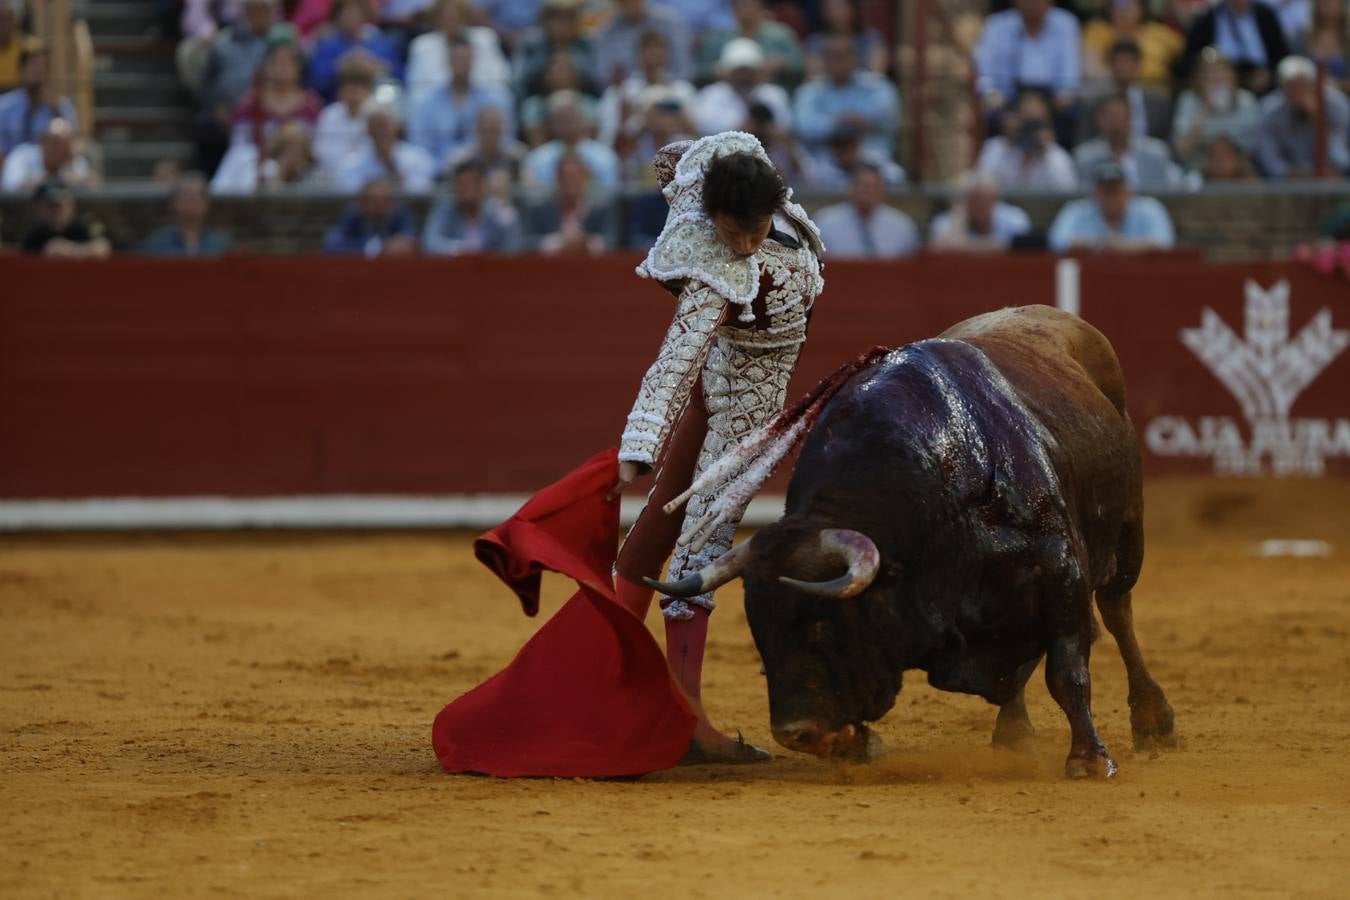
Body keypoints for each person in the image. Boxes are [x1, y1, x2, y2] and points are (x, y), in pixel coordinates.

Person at [609, 132, 825, 763]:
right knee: (704, 535)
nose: (745, 245)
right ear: (713, 217)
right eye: (733, 232)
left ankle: (614, 670)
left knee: (665, 516)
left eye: (753, 231)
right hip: (746, 387)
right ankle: (689, 720)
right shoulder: (714, 269)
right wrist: (637, 446)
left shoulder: (734, 163)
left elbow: (696, 149)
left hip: (743, 367)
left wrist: (672, 156)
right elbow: (676, 361)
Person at [975, 0, 1082, 146]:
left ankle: (1059, 158)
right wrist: (990, 92)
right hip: (1009, 98)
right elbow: (984, 70)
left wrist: (1066, 93)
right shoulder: (997, 24)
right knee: (990, 113)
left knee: (1070, 112)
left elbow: (1070, 73)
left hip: (1051, 99)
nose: (1032, 3)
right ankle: (997, 156)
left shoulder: (1065, 23)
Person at [408, 37, 513, 173]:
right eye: (457, 59)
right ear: (447, 61)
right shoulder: (425, 102)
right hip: (437, 175)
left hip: (486, 172)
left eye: (465, 59)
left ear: (473, 60)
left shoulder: (497, 99)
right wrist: (442, 167)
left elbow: (506, 140)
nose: (461, 64)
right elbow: (419, 147)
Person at [792, 34, 900, 166]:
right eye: (834, 58)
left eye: (845, 57)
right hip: (823, 159)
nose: (840, 63)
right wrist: (837, 122)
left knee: (893, 175)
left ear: (855, 58)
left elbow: (887, 119)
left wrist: (862, 122)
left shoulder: (877, 86)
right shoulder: (809, 91)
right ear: (824, 61)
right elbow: (803, 126)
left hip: (870, 156)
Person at [596, 30, 697, 149]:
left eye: (659, 48)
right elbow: (610, 144)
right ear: (637, 55)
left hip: (676, 157)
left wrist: (676, 114)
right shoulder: (622, 91)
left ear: (668, 54)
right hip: (635, 160)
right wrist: (644, 123)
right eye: (649, 48)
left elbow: (697, 136)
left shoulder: (684, 90)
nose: (654, 53)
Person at [1047, 162, 1176, 252]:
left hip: (1142, 277)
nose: (1111, 198)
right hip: (1091, 277)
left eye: (1115, 191)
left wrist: (1121, 246)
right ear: (1095, 193)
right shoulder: (1076, 211)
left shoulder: (1150, 209)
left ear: (1127, 191)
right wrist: (1095, 244)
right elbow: (1057, 241)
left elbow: (1165, 243)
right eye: (1106, 192)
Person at [1256, 54, 1350, 176]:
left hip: (1334, 179)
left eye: (1302, 85)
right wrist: (1291, 174)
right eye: (1291, 86)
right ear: (1282, 88)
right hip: (1288, 184)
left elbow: (1342, 159)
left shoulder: (1336, 104)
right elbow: (1270, 159)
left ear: (1314, 85)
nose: (1297, 92)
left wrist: (1319, 120)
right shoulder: (1271, 109)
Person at [1170, 48, 1262, 168]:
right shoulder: (1188, 100)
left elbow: (1256, 148)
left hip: (1239, 168)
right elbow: (1181, 151)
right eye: (1207, 73)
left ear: (1232, 75)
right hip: (1199, 168)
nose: (1214, 77)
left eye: (1220, 71)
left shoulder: (1246, 100)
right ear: (1197, 78)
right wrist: (1204, 109)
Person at [406, 0, 511, 101]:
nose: (451, 20)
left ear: (464, 16)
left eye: (455, 15)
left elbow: (500, 79)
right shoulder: (422, 46)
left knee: (501, 96)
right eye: (445, 16)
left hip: (482, 106)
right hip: (437, 108)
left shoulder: (485, 38)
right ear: (437, 18)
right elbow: (416, 87)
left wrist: (466, 91)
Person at [1179, 0, 1290, 94]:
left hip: (1264, 82)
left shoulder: (1265, 15)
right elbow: (1191, 60)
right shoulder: (1207, 20)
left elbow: (1282, 55)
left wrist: (1269, 74)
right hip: (1220, 84)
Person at [974, 90, 1079, 190]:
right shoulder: (996, 147)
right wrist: (1009, 144)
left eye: (1035, 123)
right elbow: (981, 186)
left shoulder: (1056, 157)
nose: (1030, 129)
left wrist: (1045, 153)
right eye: (1026, 121)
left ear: (1046, 124)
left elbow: (1067, 193)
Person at [812, 163, 920, 259]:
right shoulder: (824, 222)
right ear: (851, 187)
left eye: (873, 186)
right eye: (863, 186)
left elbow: (913, 266)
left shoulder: (902, 225)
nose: (867, 191)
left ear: (882, 189)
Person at [1074, 94, 1183, 188]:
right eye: (1110, 117)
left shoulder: (1157, 153)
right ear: (1099, 120)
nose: (1115, 123)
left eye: (1119, 117)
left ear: (1130, 118)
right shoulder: (1085, 157)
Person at [521, 91, 620, 191]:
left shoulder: (604, 157)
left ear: (583, 120)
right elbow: (534, 197)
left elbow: (611, 194)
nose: (566, 125)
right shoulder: (537, 159)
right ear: (551, 124)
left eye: (570, 118)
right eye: (561, 120)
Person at [694, 38, 793, 137]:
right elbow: (704, 128)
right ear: (727, 72)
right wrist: (742, 128)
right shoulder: (711, 94)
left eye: (749, 71)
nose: (744, 77)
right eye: (739, 72)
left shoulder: (774, 94)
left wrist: (766, 129)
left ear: (758, 72)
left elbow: (785, 128)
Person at [421, 158, 523, 254]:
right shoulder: (444, 210)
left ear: (482, 185)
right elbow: (429, 242)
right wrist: (459, 249)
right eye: (460, 184)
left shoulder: (499, 212)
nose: (465, 190)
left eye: (470, 184)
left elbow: (513, 247)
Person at [306, 0, 402, 102]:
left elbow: (398, 77)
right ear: (337, 17)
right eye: (344, 13)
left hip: (376, 103)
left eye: (355, 13)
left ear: (364, 15)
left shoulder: (382, 43)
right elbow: (317, 82)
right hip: (338, 104)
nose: (350, 18)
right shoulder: (327, 45)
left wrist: (377, 66)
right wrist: (341, 65)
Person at [0, 39, 78, 164]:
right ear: (21, 69)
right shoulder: (4, 106)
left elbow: (71, 146)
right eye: (33, 64)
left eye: (44, 66)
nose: (39, 70)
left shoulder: (62, 106)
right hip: (13, 172)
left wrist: (55, 110)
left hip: (50, 172)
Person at [697, 0, 805, 88]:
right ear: (732, 8)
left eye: (748, 2)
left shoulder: (781, 35)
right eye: (739, 3)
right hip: (728, 93)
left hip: (771, 90)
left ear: (761, 5)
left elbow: (801, 66)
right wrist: (715, 71)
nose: (744, 6)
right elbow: (698, 71)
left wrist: (783, 63)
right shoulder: (718, 38)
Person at [1080, 38, 1172, 141]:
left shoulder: (1158, 102)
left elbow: (1166, 143)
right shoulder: (1094, 103)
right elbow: (1084, 142)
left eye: (1128, 61)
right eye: (1118, 61)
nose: (1123, 67)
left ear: (1138, 65)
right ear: (1111, 66)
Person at [523, 153, 612, 254]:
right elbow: (526, 243)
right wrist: (558, 241)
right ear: (557, 180)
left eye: (575, 177)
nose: (570, 182)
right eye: (566, 177)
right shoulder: (540, 210)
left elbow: (613, 242)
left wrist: (585, 241)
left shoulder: (600, 209)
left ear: (585, 179)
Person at [1082, 0, 1184, 88]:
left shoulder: (1160, 33)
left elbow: (1187, 58)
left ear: (1141, 8)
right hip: (1112, 91)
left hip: (1156, 91)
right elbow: (1090, 70)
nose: (1125, 10)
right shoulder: (1097, 31)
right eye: (1120, 4)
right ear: (1110, 8)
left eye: (1131, 3)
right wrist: (1124, 76)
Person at [338, 102, 437, 193]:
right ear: (367, 130)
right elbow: (350, 191)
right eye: (375, 126)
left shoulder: (419, 158)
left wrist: (400, 179)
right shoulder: (352, 163)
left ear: (396, 126)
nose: (381, 132)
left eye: (385, 125)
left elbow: (424, 190)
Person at [210, 120, 329, 193]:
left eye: (300, 150)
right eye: (290, 149)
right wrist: (282, 172)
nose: (295, 154)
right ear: (280, 149)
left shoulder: (313, 176)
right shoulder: (265, 169)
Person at [592, 0, 691, 86]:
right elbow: (603, 77)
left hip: (671, 89)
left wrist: (661, 85)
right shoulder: (607, 32)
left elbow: (684, 70)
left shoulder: (669, 22)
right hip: (627, 94)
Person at [513, 0, 596, 101]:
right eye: (558, 19)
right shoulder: (531, 43)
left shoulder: (585, 44)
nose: (563, 26)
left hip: (581, 100)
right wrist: (549, 65)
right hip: (539, 101)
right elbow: (519, 82)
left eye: (569, 19)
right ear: (545, 21)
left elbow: (595, 84)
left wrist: (570, 66)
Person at [928, 173, 1033, 252]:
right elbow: (937, 247)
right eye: (975, 200)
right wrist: (958, 219)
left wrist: (963, 245)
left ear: (995, 200)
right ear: (966, 201)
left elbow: (1015, 247)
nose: (981, 206)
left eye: (986, 200)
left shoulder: (1015, 218)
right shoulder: (946, 220)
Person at [313, 55, 377, 180]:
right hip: (332, 179)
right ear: (340, 90)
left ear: (369, 90)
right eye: (349, 86)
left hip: (368, 180)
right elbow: (320, 152)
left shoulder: (377, 115)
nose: (354, 92)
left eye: (359, 87)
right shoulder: (329, 114)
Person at [140, 172, 233, 257]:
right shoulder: (157, 243)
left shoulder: (221, 243)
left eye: (195, 199)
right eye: (185, 198)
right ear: (173, 203)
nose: (190, 204)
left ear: (207, 204)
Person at [323, 176, 419, 255]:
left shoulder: (401, 214)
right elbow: (333, 243)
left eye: (384, 201)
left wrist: (402, 244)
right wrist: (375, 248)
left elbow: (411, 239)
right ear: (362, 202)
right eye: (373, 201)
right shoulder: (353, 215)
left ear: (392, 203)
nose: (378, 206)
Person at [1, 117, 97, 193]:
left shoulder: (73, 159)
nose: (60, 149)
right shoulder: (20, 156)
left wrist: (77, 179)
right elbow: (10, 187)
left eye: (65, 144)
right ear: (43, 142)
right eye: (55, 143)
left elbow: (93, 187)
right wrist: (47, 181)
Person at [20, 179, 111, 258]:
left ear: (71, 206)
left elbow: (102, 247)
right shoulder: (35, 234)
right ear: (39, 208)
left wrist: (72, 250)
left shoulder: (83, 227)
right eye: (51, 206)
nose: (57, 211)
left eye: (62, 205)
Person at [804, 0, 889, 80]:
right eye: (832, 8)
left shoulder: (871, 38)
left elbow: (877, 76)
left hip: (864, 92)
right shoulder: (815, 42)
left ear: (853, 8)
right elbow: (815, 77)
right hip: (827, 93)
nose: (837, 13)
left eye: (841, 7)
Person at [443, 104, 527, 185]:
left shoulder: (517, 157)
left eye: (494, 131)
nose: (490, 137)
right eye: (487, 130)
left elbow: (529, 189)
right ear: (477, 129)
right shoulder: (460, 159)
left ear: (502, 130)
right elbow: (446, 188)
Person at [0, 0, 28, 94]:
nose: (4, 26)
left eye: (8, 20)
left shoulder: (24, 48)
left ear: (14, 23)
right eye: (1, 21)